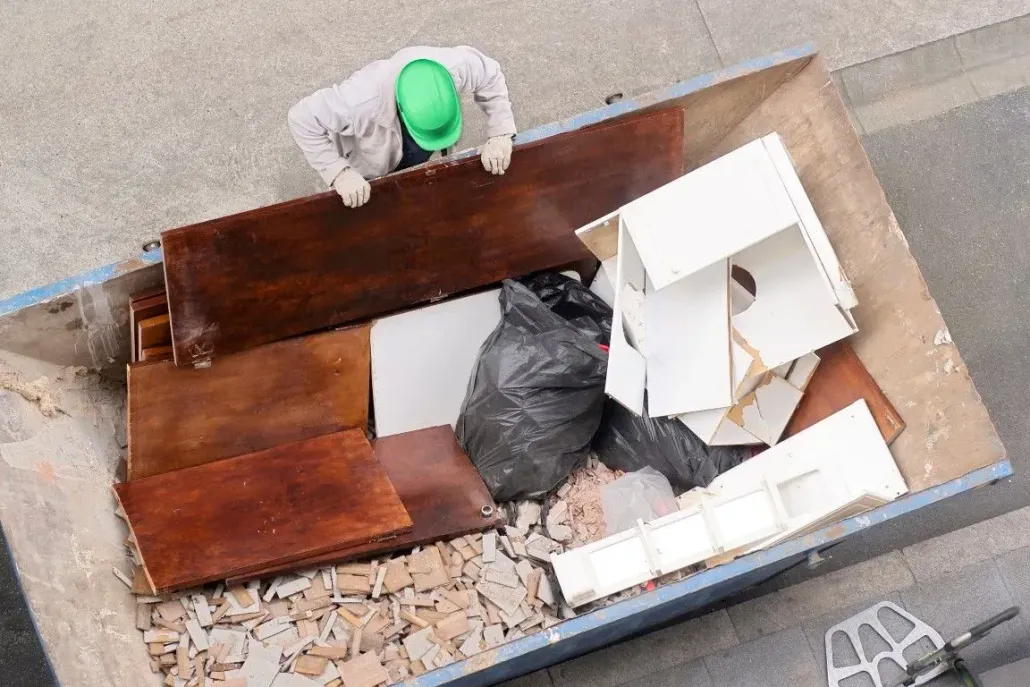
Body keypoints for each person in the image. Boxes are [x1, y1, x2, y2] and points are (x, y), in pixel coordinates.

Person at [288, 46, 517, 208]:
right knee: (365, 207)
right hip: (367, 156)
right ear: (400, 109)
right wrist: (340, 173)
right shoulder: (359, 101)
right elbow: (301, 118)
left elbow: (490, 74)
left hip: (408, 136)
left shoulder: (453, 68)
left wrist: (501, 133)